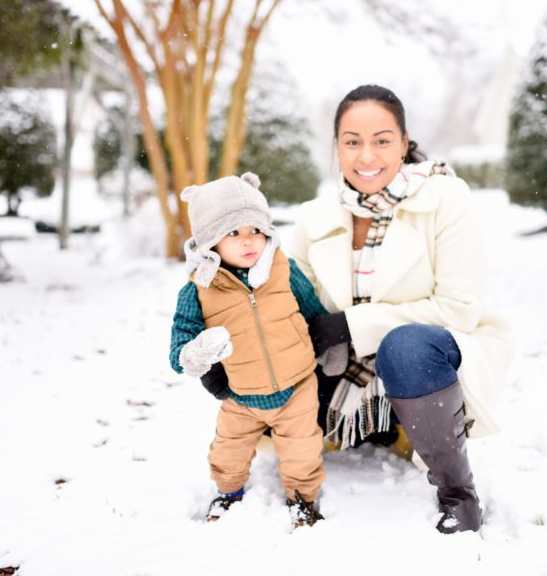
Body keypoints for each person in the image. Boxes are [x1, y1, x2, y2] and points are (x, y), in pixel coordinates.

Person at [289, 84, 515, 534]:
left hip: (425, 364)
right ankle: (371, 427)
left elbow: (458, 309)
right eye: (352, 141)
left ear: (405, 142)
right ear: (336, 147)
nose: (366, 155)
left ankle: (457, 491)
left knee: (405, 347)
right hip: (344, 372)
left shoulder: (445, 200)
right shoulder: (315, 218)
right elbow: (295, 304)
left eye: (382, 140)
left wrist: (351, 325)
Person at [169, 172, 328, 528]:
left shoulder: (282, 268)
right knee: (228, 450)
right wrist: (192, 354)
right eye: (233, 233)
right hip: (241, 394)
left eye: (255, 230)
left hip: (297, 387)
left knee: (302, 449)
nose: (248, 241)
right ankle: (228, 492)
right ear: (209, 241)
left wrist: (329, 346)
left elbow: (312, 309)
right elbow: (180, 342)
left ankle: (302, 500)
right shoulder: (198, 290)